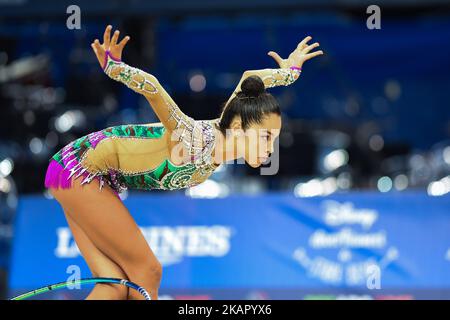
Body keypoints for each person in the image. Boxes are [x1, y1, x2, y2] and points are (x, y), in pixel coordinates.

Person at [45, 24, 323, 300]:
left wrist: (290, 72)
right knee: (146, 271)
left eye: (273, 139)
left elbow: (249, 79)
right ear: (238, 128)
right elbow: (153, 88)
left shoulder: (230, 120)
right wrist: (114, 67)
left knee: (116, 286)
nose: (269, 148)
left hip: (82, 174)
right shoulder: (194, 139)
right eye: (264, 137)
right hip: (79, 170)